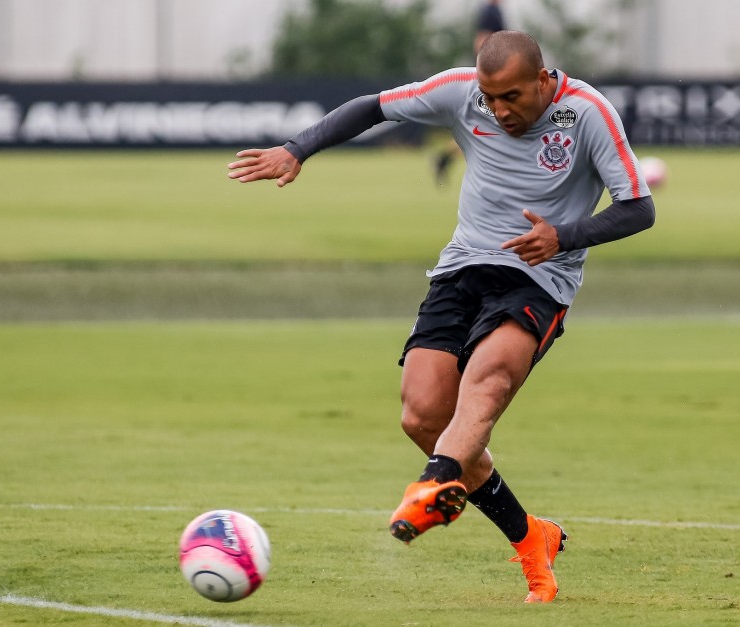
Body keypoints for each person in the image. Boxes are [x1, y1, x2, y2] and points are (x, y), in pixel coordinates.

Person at [227, 30, 655, 603]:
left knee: (491, 376)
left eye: (513, 97)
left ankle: (433, 485)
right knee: (424, 416)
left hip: (539, 276)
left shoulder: (588, 113)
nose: (500, 110)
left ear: (542, 80)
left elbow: (639, 208)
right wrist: (297, 149)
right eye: (491, 97)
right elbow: (370, 108)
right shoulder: (461, 92)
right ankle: (532, 538)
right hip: (460, 270)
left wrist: (563, 237)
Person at [435, 0, 507, 185]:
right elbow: (482, 39)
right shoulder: (490, 11)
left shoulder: (494, 10)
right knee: (486, 127)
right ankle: (446, 157)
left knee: (485, 126)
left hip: (496, 71)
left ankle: (445, 157)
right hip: (493, 73)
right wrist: (487, 70)